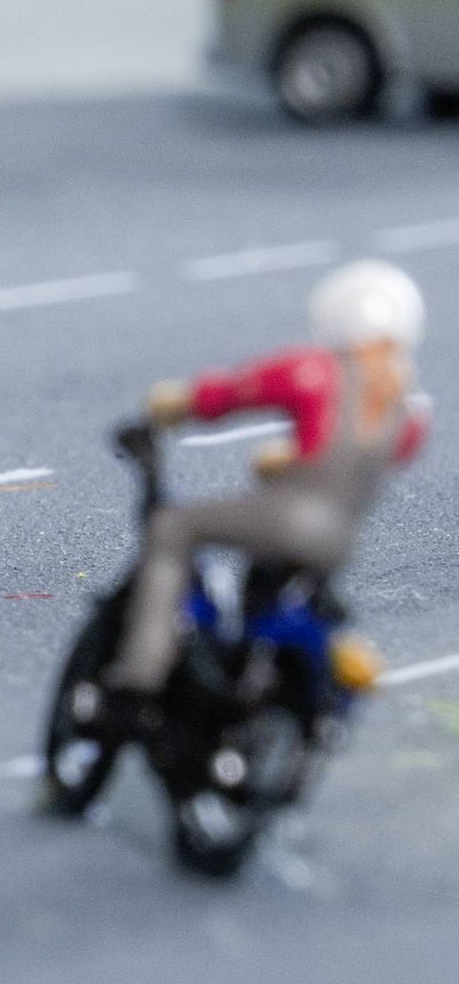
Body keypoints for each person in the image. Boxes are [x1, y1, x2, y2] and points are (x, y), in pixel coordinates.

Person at [110, 260, 429, 700]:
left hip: (290, 518)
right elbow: (358, 456)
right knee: (270, 590)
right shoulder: (403, 408)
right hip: (340, 540)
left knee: (172, 528)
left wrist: (172, 404)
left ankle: (142, 669)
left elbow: (227, 394)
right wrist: (290, 458)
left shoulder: (315, 370)